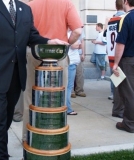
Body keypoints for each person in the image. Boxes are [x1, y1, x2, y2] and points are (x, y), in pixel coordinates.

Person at [0, 0, 67, 159]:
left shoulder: (25, 8)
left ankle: (0, 151)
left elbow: (32, 35)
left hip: (16, 75)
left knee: (6, 119)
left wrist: (48, 41)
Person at [20, 0, 82, 141]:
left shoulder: (30, 6)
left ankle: (28, 136)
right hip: (57, 52)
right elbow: (77, 31)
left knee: (30, 95)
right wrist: (67, 43)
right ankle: (54, 135)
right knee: (57, 97)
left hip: (34, 51)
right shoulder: (66, 4)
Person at [113, 0, 134, 133]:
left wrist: (116, 63)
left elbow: (120, 44)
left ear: (126, 2)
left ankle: (129, 124)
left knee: (129, 93)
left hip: (129, 60)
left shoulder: (125, 18)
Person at [106, 0, 125, 118]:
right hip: (120, 56)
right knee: (122, 86)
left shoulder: (111, 21)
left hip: (111, 55)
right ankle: (119, 107)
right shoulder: (124, 19)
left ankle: (116, 103)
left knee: (116, 82)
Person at [66, 30, 81, 115]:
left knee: (68, 86)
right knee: (69, 87)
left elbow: (78, 44)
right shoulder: (70, 35)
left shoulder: (68, 34)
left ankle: (66, 107)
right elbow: (76, 45)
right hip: (70, 63)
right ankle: (68, 108)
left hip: (71, 63)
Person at [71, 28, 86, 98]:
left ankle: (79, 90)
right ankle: (71, 91)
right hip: (70, 55)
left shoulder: (80, 29)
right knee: (70, 74)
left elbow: (82, 42)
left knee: (80, 73)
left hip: (78, 54)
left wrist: (83, 53)